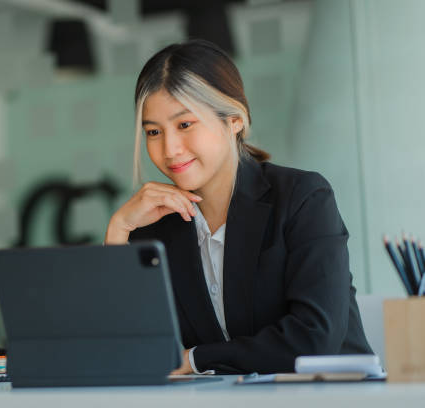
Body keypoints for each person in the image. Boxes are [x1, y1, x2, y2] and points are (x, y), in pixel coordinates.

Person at [104, 39, 373, 375]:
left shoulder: (303, 198)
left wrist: (194, 359)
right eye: (154, 131)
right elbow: (120, 348)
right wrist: (119, 231)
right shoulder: (155, 226)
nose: (169, 148)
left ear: (234, 120)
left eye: (185, 125)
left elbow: (313, 340)